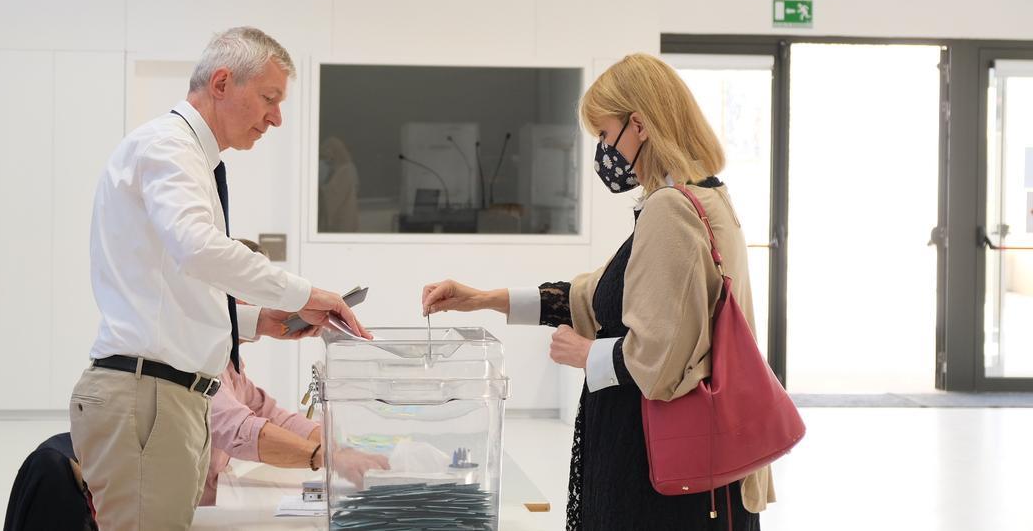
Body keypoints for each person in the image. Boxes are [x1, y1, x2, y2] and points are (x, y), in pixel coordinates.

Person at [421, 53, 773, 530]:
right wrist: (484, 298)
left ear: (640, 125)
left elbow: (662, 359)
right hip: (685, 468)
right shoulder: (704, 197)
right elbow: (597, 295)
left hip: (653, 473)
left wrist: (587, 353)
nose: (604, 151)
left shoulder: (672, 210)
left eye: (605, 135)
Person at [70, 27, 370, 531]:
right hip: (150, 396)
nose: (277, 117)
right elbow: (199, 248)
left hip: (168, 395)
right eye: (270, 99)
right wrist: (306, 293)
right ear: (223, 82)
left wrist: (256, 320)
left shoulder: (187, 155)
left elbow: (172, 287)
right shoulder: (168, 147)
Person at [201, 240, 389, 505]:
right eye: (252, 291)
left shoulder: (232, 363)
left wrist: (339, 448)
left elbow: (272, 416)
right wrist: (325, 457)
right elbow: (238, 428)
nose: (264, 303)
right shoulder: (202, 359)